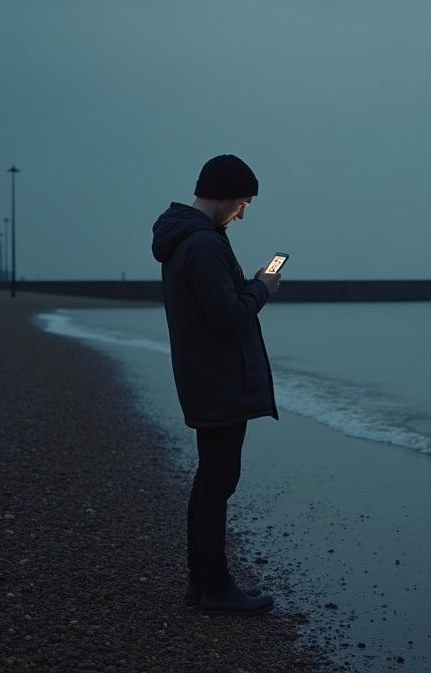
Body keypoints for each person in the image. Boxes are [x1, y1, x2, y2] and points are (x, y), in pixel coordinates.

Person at [150, 154, 282, 616]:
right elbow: (228, 318)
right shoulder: (202, 244)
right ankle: (215, 588)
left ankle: (200, 583)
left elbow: (217, 308)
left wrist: (248, 287)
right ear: (223, 195)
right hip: (219, 381)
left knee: (211, 479)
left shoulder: (192, 238)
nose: (243, 213)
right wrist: (263, 288)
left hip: (207, 377)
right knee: (217, 481)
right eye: (242, 203)